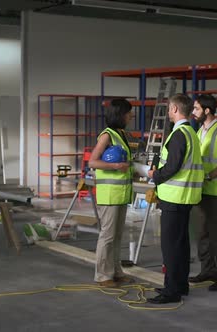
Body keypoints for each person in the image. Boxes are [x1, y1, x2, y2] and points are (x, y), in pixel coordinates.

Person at [147, 94, 204, 304]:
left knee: (170, 246)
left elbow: (172, 167)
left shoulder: (179, 134)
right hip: (185, 197)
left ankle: (171, 291)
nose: (168, 111)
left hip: (174, 198)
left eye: (170, 108)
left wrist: (155, 175)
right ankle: (180, 285)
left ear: (174, 109)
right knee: (180, 244)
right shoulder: (191, 133)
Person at [189, 94, 217, 291]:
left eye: (197, 109)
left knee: (216, 235)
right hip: (202, 191)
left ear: (207, 111)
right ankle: (207, 270)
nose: (193, 112)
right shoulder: (200, 131)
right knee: (202, 233)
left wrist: (209, 176)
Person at [88, 98, 135, 288]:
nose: (130, 116)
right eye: (128, 113)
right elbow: (93, 161)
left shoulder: (121, 134)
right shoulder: (106, 135)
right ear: (120, 114)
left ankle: (116, 272)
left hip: (121, 194)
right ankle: (102, 275)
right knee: (107, 236)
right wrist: (115, 166)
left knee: (116, 236)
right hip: (109, 195)